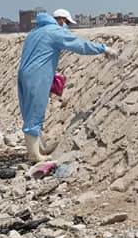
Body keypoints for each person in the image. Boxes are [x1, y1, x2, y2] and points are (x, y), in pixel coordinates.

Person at [17, 8, 116, 162]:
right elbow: (79, 45)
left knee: (29, 111)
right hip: (38, 75)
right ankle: (34, 155)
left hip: (25, 74)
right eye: (67, 23)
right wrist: (103, 48)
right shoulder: (54, 31)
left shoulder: (35, 32)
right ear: (62, 20)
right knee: (36, 111)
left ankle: (40, 148)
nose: (67, 27)